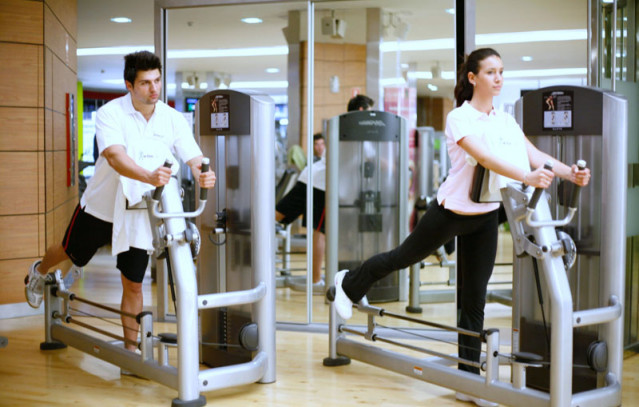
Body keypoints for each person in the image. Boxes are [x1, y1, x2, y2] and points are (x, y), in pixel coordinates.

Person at [332, 48, 590, 407]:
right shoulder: (459, 118)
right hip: (450, 212)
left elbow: (533, 154)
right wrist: (527, 176)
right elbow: (486, 157)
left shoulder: (505, 120)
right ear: (473, 78)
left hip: (485, 215)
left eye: (501, 71)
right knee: (401, 258)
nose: (498, 78)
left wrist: (569, 174)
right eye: (490, 72)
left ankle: (468, 379)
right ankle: (346, 283)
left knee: (474, 299)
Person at [24, 51, 216, 356]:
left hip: (140, 212)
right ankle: (38, 271)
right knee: (68, 252)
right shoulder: (110, 113)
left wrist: (202, 173)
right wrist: (149, 176)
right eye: (144, 83)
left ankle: (131, 352)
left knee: (134, 284)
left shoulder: (172, 118)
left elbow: (192, 156)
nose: (154, 89)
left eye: (157, 80)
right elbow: (116, 157)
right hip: (101, 207)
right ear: (129, 84)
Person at [276, 95, 375, 294]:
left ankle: (246, 241)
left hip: (310, 179)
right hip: (322, 186)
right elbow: (374, 159)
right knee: (320, 232)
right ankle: (315, 280)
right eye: (371, 111)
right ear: (363, 111)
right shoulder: (356, 132)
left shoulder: (344, 126)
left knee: (277, 217)